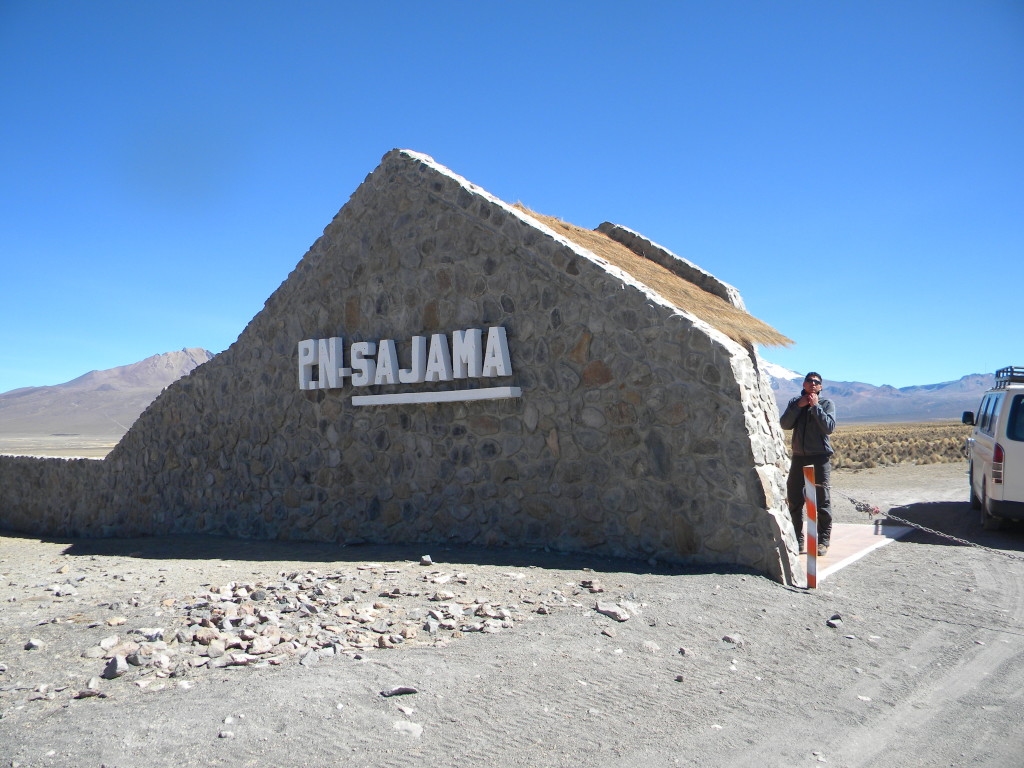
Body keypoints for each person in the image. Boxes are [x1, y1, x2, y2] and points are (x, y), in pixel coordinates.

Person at [779, 372, 836, 556]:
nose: (812, 384)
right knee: (795, 500)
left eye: (816, 382)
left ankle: (823, 541)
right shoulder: (796, 402)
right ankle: (797, 539)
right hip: (798, 457)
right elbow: (785, 424)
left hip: (820, 458)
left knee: (822, 501)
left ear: (820, 387)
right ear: (804, 384)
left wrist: (815, 407)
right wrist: (798, 406)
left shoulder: (826, 404)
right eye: (809, 381)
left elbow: (828, 427)